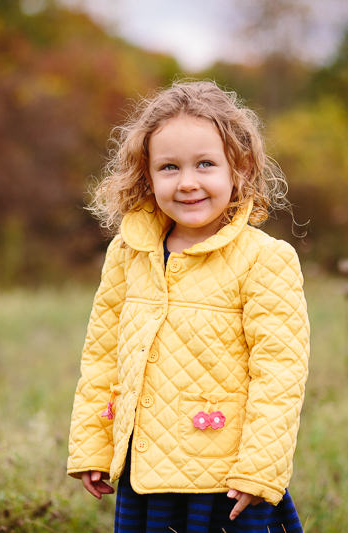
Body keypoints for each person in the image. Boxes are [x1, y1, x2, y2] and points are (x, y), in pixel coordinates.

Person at [67, 80, 310, 533]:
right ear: (146, 175)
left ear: (239, 169)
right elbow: (102, 357)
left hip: (228, 483)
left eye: (205, 164)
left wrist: (260, 468)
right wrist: (92, 445)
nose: (188, 182)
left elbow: (280, 374)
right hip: (146, 477)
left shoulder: (265, 259)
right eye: (169, 167)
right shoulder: (128, 252)